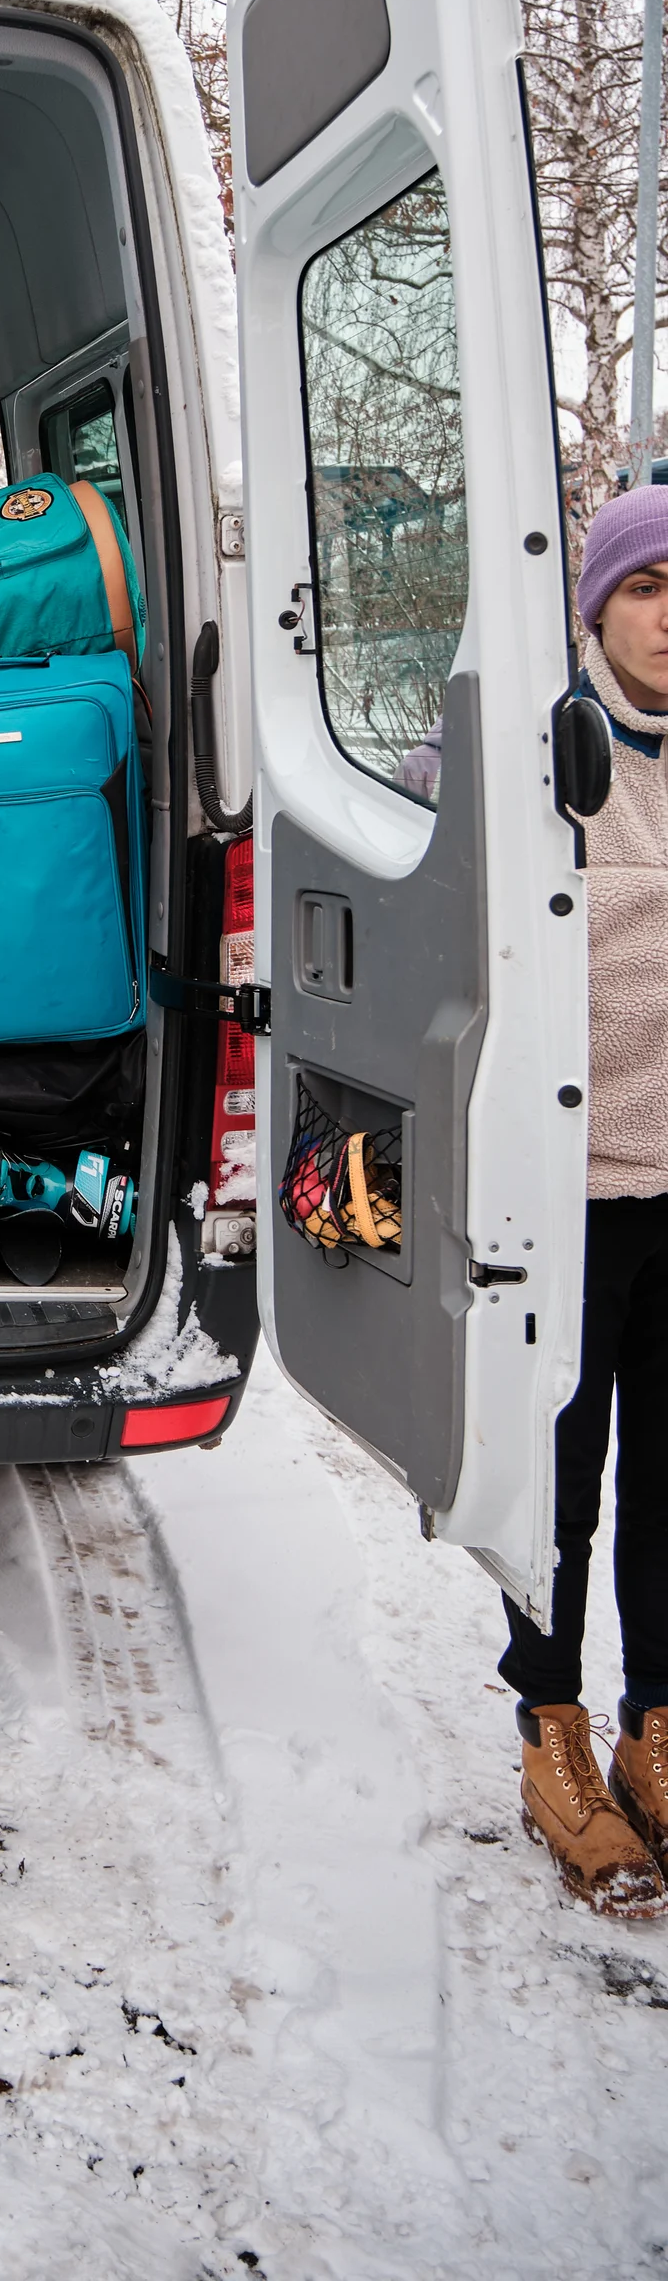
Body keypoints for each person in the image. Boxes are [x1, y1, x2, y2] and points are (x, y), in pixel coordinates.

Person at [503, 487, 668, 1916]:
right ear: (597, 604)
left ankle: (657, 1726)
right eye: (648, 585)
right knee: (558, 1486)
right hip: (570, 1191)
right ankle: (548, 1726)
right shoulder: (531, 749)